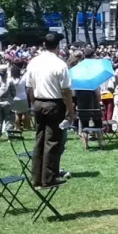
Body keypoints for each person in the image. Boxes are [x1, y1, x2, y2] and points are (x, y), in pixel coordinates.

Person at [25, 32, 74, 189]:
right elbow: (66, 91)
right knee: (52, 142)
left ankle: (36, 178)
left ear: (44, 45)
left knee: (39, 141)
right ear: (57, 46)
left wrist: (34, 104)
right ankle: (48, 178)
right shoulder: (60, 64)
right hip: (54, 104)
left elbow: (29, 87)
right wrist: (70, 110)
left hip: (38, 102)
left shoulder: (33, 62)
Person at [0, 64, 16, 141]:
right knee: (9, 120)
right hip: (8, 102)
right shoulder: (10, 81)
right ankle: (9, 136)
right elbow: (13, 92)